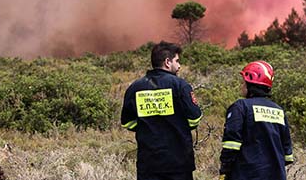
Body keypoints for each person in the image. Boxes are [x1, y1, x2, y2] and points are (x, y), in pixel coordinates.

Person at [121, 41, 203, 180]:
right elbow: (195, 119)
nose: (179, 66)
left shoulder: (135, 88)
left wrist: (148, 127)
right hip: (178, 162)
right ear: (167, 62)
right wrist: (176, 126)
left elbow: (127, 123)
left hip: (148, 163)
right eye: (177, 61)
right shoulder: (180, 86)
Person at [219, 61, 294, 180]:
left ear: (250, 84)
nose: (241, 86)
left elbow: (231, 144)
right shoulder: (279, 110)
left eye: (243, 82)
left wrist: (225, 170)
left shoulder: (240, 107)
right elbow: (288, 155)